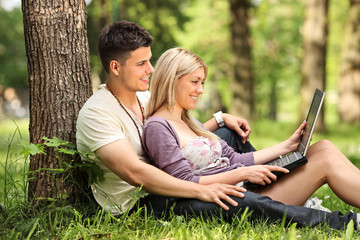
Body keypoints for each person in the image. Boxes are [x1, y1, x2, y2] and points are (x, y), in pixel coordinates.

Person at [142, 47, 360, 230]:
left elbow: (236, 157)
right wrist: (243, 173)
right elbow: (185, 182)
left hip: (246, 185)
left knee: (323, 148)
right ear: (172, 80)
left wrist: (286, 146)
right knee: (324, 161)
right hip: (245, 198)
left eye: (202, 83)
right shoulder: (157, 127)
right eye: (195, 82)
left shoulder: (188, 121)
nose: (200, 90)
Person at [76, 20, 257, 215]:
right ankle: (271, 199)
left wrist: (219, 120)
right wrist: (201, 190)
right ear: (116, 67)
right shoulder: (97, 113)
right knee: (237, 200)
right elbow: (135, 173)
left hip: (174, 179)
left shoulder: (145, 98)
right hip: (142, 200)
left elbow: (179, 139)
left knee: (231, 133)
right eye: (141, 63)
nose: (151, 69)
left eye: (149, 60)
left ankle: (269, 176)